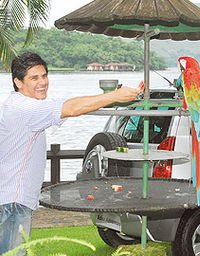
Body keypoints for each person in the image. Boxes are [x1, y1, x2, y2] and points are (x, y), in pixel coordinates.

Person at [0, 52, 144, 254]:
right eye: (34, 78)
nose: (42, 82)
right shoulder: (24, 108)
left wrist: (109, 99)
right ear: (18, 82)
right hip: (13, 202)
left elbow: (70, 104)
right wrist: (114, 96)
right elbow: (70, 108)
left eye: (44, 76)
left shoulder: (20, 104)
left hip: (11, 198)